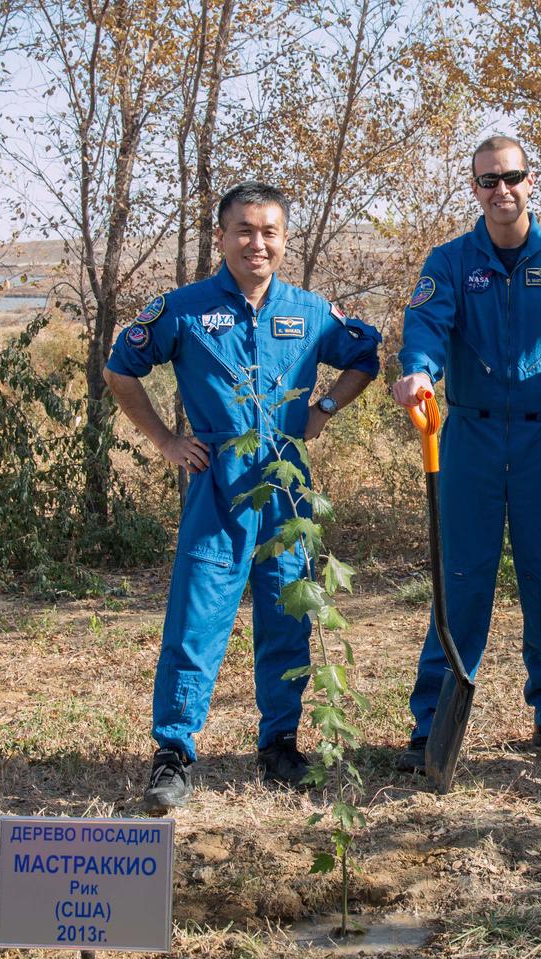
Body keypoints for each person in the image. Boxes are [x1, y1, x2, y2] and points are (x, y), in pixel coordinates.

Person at [103, 181, 381, 811]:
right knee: (197, 621)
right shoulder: (185, 308)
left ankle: (279, 743)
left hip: (286, 488)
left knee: (287, 617)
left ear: (284, 240)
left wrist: (326, 407)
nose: (258, 243)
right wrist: (167, 441)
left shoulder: (309, 311)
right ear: (221, 236)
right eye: (244, 231)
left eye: (270, 232)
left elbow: (368, 354)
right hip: (218, 486)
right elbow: (122, 370)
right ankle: (174, 753)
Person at [390, 136, 541, 770]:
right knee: (460, 579)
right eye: (488, 181)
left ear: (530, 181)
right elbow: (426, 329)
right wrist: (419, 372)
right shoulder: (452, 261)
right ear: (475, 189)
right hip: (471, 437)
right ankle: (433, 722)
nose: (501, 190)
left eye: (511, 177)